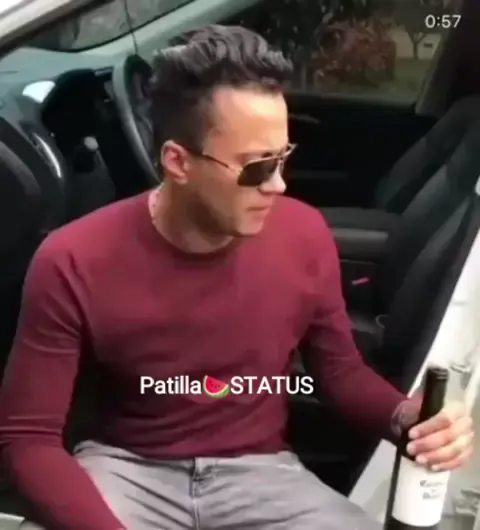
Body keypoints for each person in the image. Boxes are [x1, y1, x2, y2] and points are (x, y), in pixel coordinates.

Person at [0, 25, 474, 530]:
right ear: (178, 161)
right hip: (124, 472)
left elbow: (341, 374)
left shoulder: (304, 236)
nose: (279, 184)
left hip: (262, 475)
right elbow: (28, 439)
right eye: (256, 167)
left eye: (283, 158)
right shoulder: (73, 260)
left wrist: (406, 418)